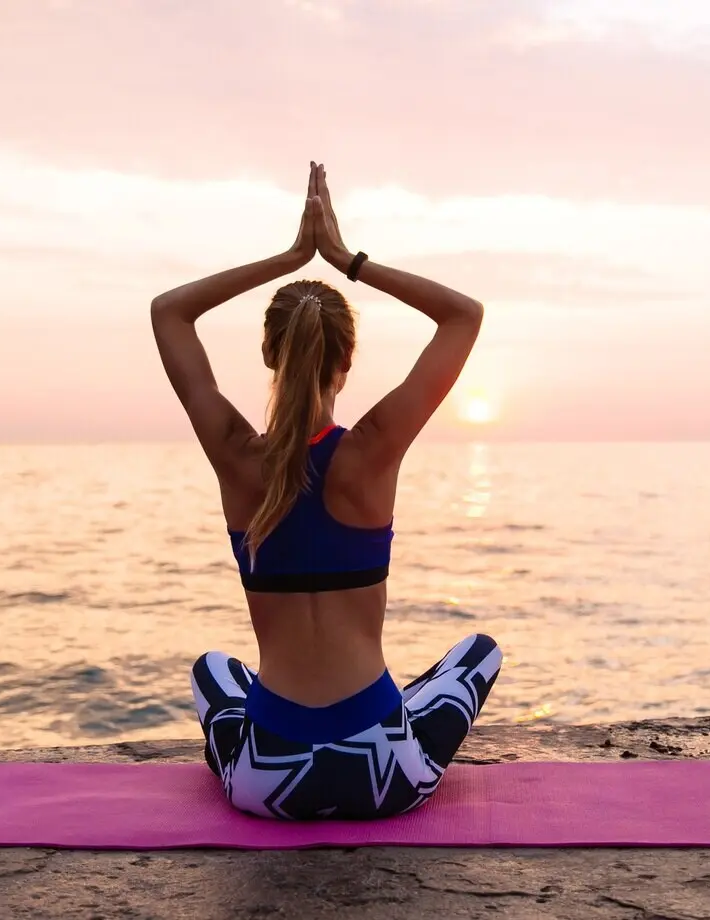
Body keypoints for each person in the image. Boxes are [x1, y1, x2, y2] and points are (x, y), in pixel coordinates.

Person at [150, 162, 503, 820]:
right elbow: (464, 316)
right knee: (479, 653)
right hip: (385, 775)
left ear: (268, 355)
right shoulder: (372, 449)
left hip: (265, 786)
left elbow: (169, 312)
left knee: (212, 669)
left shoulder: (235, 454)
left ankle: (271, 745)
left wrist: (289, 258)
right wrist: (346, 259)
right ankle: (392, 719)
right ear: (347, 361)